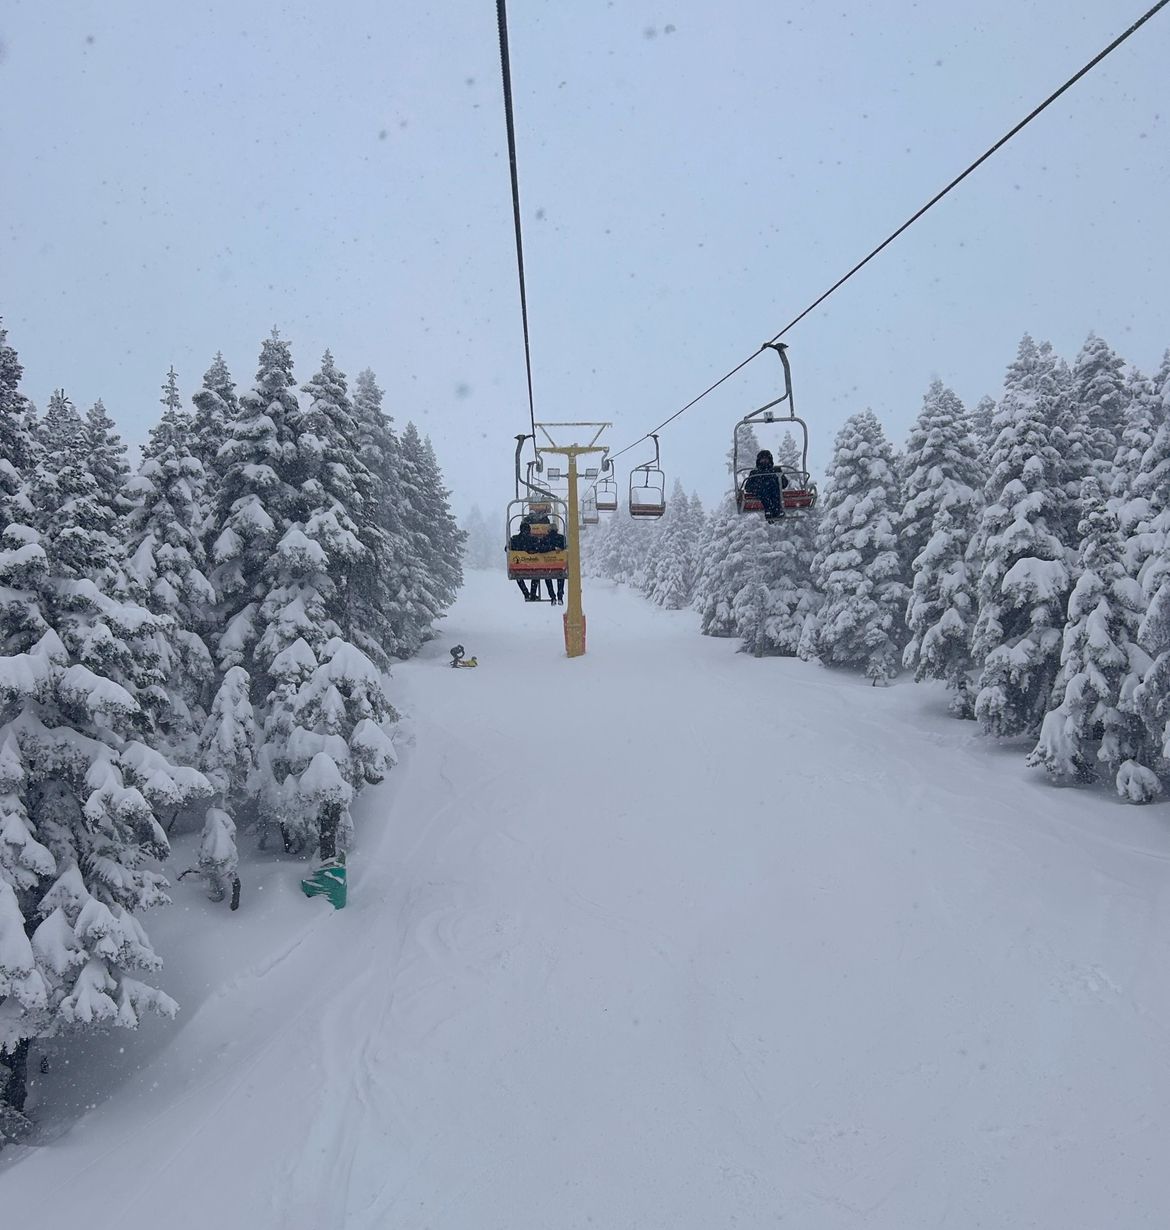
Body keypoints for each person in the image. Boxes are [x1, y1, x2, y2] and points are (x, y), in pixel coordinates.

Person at [743, 449, 789, 522]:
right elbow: (748, 487)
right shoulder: (754, 473)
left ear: (770, 460)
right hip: (761, 492)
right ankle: (772, 510)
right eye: (762, 459)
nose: (764, 461)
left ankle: (774, 510)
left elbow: (784, 484)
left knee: (772, 486)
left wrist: (780, 479)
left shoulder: (776, 470)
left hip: (774, 491)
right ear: (759, 461)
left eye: (766, 459)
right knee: (764, 488)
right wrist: (757, 486)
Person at [509, 518, 541, 600]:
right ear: (529, 530)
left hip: (519, 565)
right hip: (532, 565)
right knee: (537, 575)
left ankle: (526, 593)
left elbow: (507, 548)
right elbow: (539, 548)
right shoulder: (534, 539)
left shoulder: (515, 539)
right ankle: (533, 594)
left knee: (518, 577)